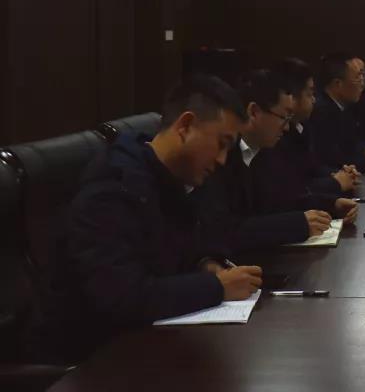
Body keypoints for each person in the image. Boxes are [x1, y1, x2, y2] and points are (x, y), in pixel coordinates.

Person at [28, 75, 263, 363]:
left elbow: (195, 243)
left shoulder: (175, 177)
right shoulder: (113, 187)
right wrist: (217, 287)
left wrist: (206, 263)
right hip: (91, 360)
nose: (222, 160)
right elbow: (123, 297)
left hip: (144, 346)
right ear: (186, 126)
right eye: (221, 144)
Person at [191, 70, 353, 252]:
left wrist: (332, 205)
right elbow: (225, 229)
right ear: (254, 112)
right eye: (284, 117)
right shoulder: (220, 155)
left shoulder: (267, 151)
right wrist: (295, 224)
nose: (287, 127)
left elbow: (285, 198)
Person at [250, 59, 361, 220]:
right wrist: (335, 182)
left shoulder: (299, 128)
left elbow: (294, 190)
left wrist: (333, 203)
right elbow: (291, 191)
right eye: (310, 94)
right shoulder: (263, 145)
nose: (314, 100)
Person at [307, 52, 365, 173]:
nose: (362, 83)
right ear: (338, 84)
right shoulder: (321, 112)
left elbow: (353, 144)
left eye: (363, 76)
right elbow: (333, 161)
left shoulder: (345, 107)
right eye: (358, 77)